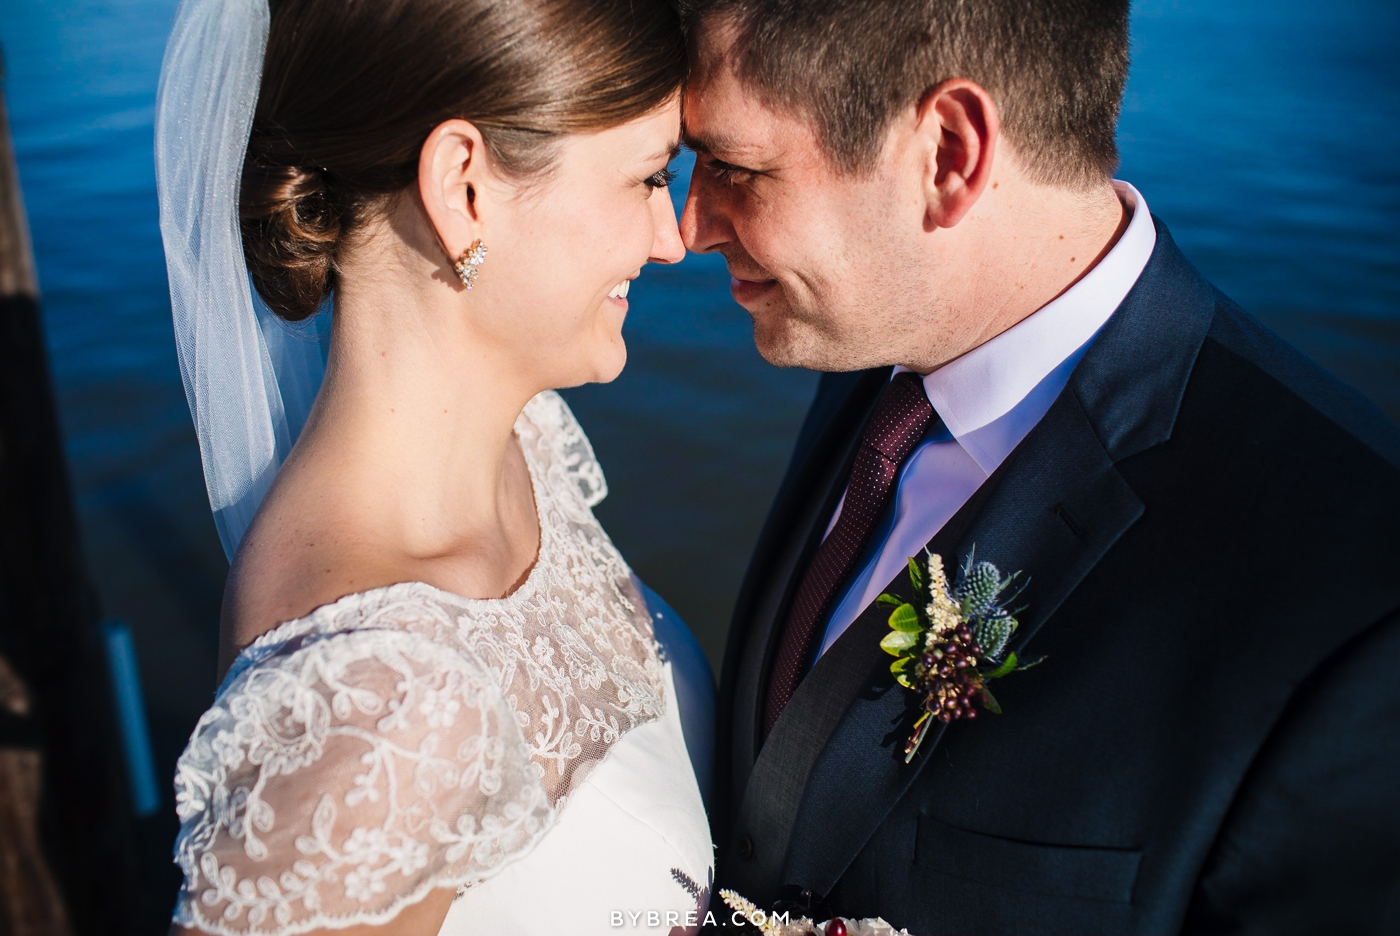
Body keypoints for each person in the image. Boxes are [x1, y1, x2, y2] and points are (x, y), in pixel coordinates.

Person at [680, 0, 1400, 932]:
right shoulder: (867, 351)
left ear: (948, 154)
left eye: (736, 165)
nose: (690, 225)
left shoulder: (1354, 606)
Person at [154, 0, 715, 931]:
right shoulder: (375, 711)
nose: (672, 237)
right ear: (465, 188)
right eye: (649, 179)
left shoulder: (529, 444)